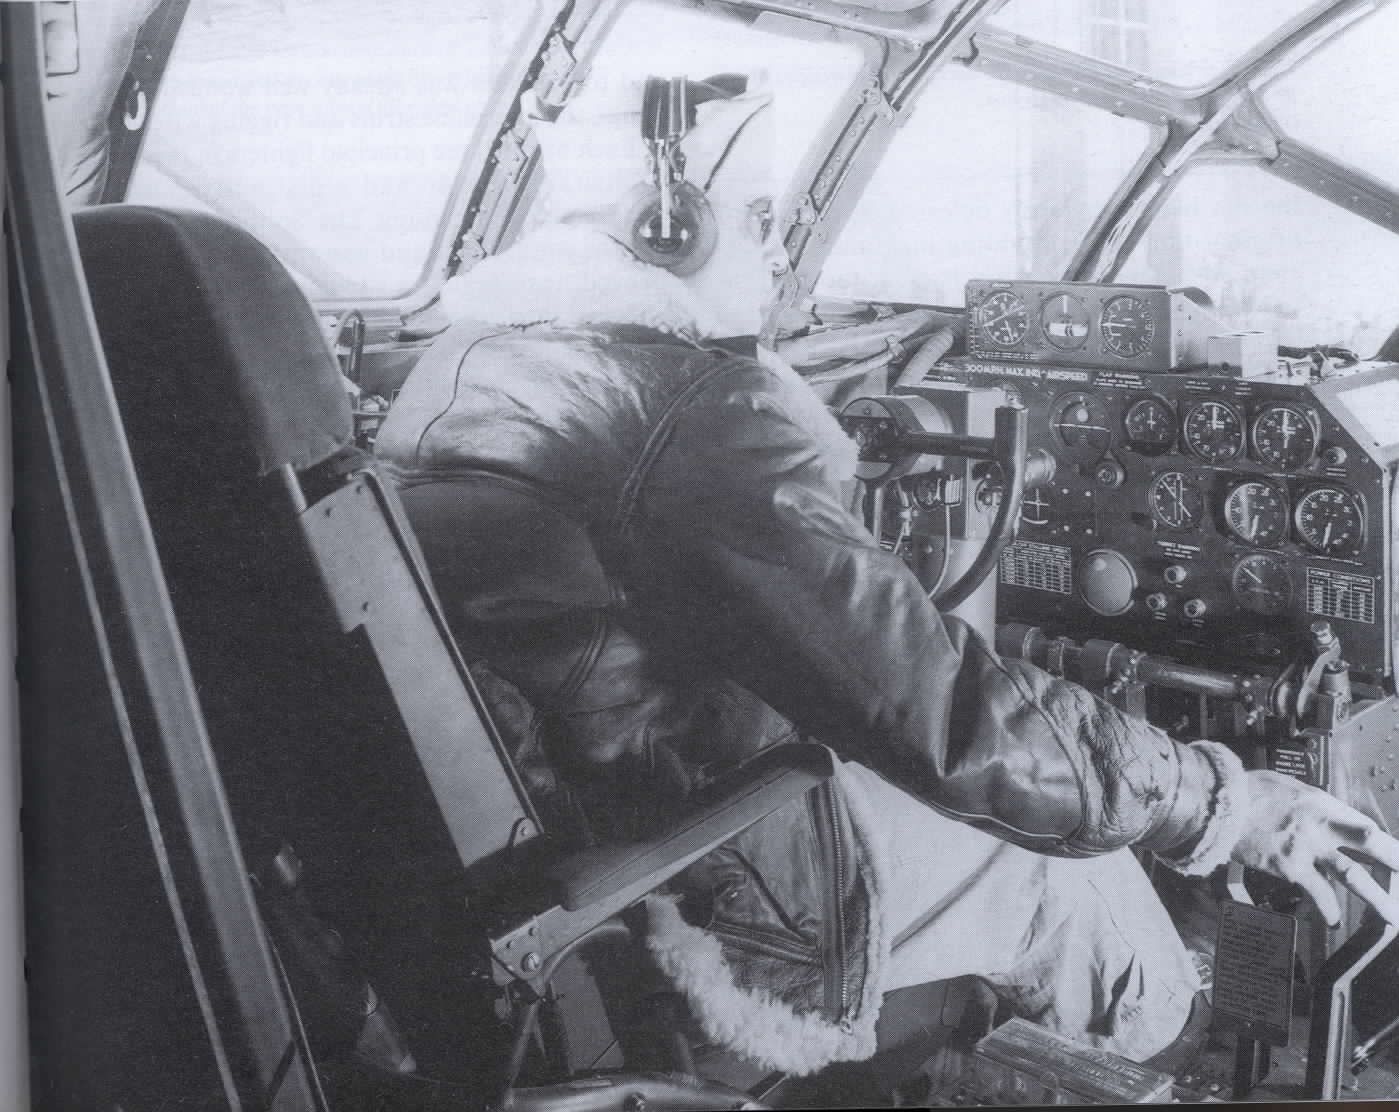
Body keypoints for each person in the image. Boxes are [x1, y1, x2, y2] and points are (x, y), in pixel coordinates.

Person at [375, 72, 1399, 1077]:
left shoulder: (458, 364)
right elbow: (951, 712)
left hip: (590, 828)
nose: (775, 250)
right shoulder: (688, 412)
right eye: (760, 216)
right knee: (1071, 872)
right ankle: (1172, 1044)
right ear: (667, 222)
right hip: (706, 883)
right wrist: (1222, 803)